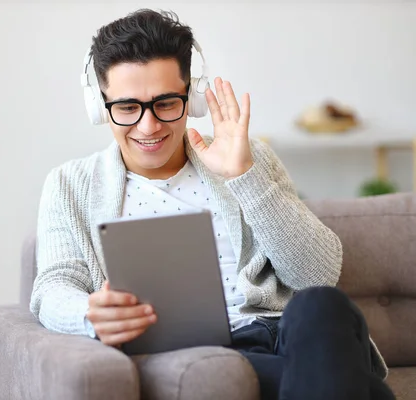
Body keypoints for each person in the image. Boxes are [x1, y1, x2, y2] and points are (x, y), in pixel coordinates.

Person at [29, 8, 395, 400]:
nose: (148, 126)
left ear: (193, 97)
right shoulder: (70, 185)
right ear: (99, 106)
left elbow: (318, 274)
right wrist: (89, 314)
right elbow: (52, 287)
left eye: (167, 103)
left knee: (322, 305)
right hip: (208, 356)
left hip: (292, 333)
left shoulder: (245, 157)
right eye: (127, 107)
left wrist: (244, 177)